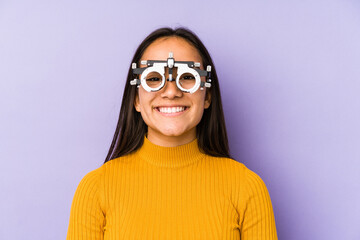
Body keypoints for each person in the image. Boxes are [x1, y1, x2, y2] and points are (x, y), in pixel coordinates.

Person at [66, 27, 278, 240]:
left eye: (187, 76)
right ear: (136, 99)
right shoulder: (95, 189)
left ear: (207, 97)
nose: (171, 92)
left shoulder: (247, 188)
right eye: (154, 78)